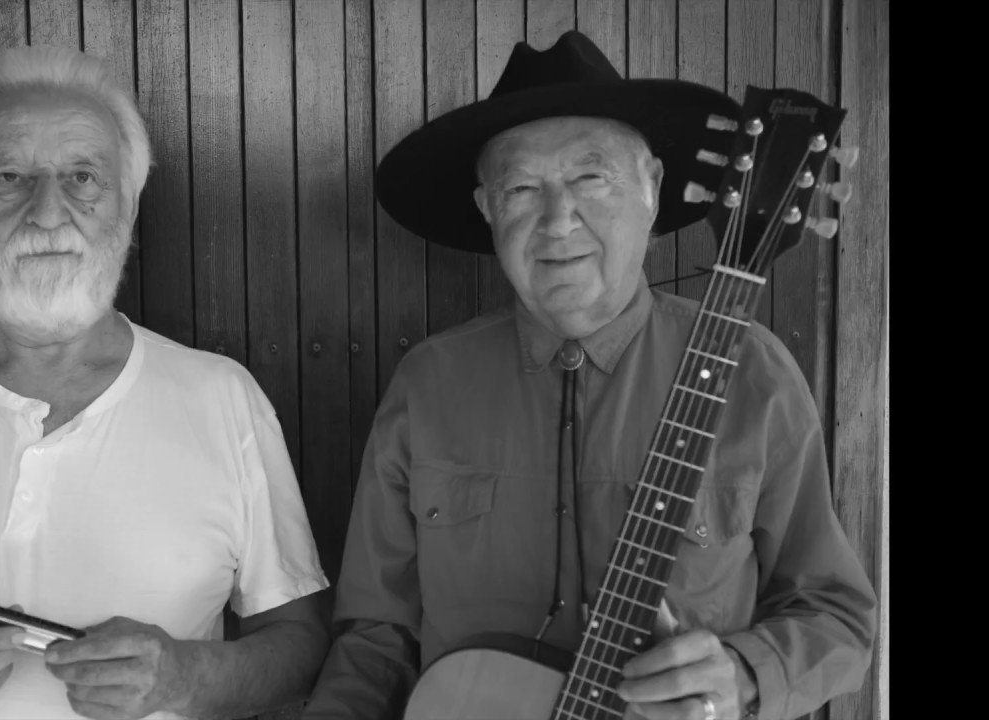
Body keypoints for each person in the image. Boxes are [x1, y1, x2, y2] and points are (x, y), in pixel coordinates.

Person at [302, 30, 876, 720]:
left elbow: (836, 615)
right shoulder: (427, 384)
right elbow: (375, 640)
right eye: (521, 188)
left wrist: (745, 674)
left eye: (590, 178)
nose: (557, 220)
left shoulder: (752, 371)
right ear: (487, 208)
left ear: (652, 188)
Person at [0, 45, 329, 720]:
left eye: (83, 177)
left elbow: (300, 649)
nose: (48, 214)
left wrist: (186, 678)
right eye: (8, 177)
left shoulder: (224, 403)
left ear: (128, 207)